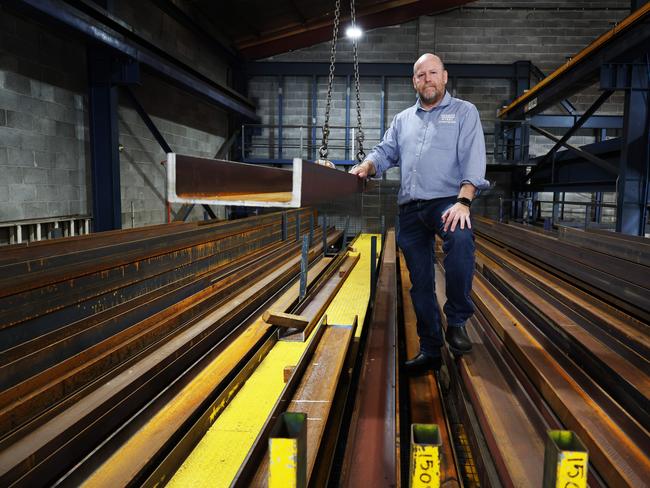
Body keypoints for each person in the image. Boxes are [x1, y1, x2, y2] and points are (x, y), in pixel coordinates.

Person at [351, 53, 488, 373]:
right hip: (410, 210)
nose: (427, 79)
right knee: (420, 283)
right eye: (420, 75)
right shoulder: (403, 120)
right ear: (414, 81)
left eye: (433, 73)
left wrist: (464, 201)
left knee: (461, 239)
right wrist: (368, 166)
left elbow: (474, 159)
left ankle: (456, 321)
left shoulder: (464, 112)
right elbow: (385, 152)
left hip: (447, 203)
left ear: (444, 77)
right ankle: (430, 349)